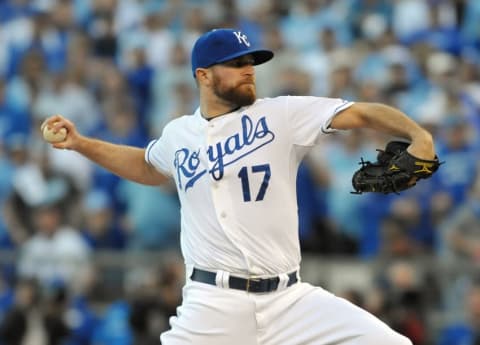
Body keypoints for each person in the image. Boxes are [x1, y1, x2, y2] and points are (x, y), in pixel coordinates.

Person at [41, 28, 437, 345]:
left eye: (251, 61)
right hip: (213, 304)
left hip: (289, 300)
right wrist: (81, 143)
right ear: (204, 74)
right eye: (236, 63)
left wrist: (417, 134)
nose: (249, 69)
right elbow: (148, 165)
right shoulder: (179, 134)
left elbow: (362, 111)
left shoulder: (281, 114)